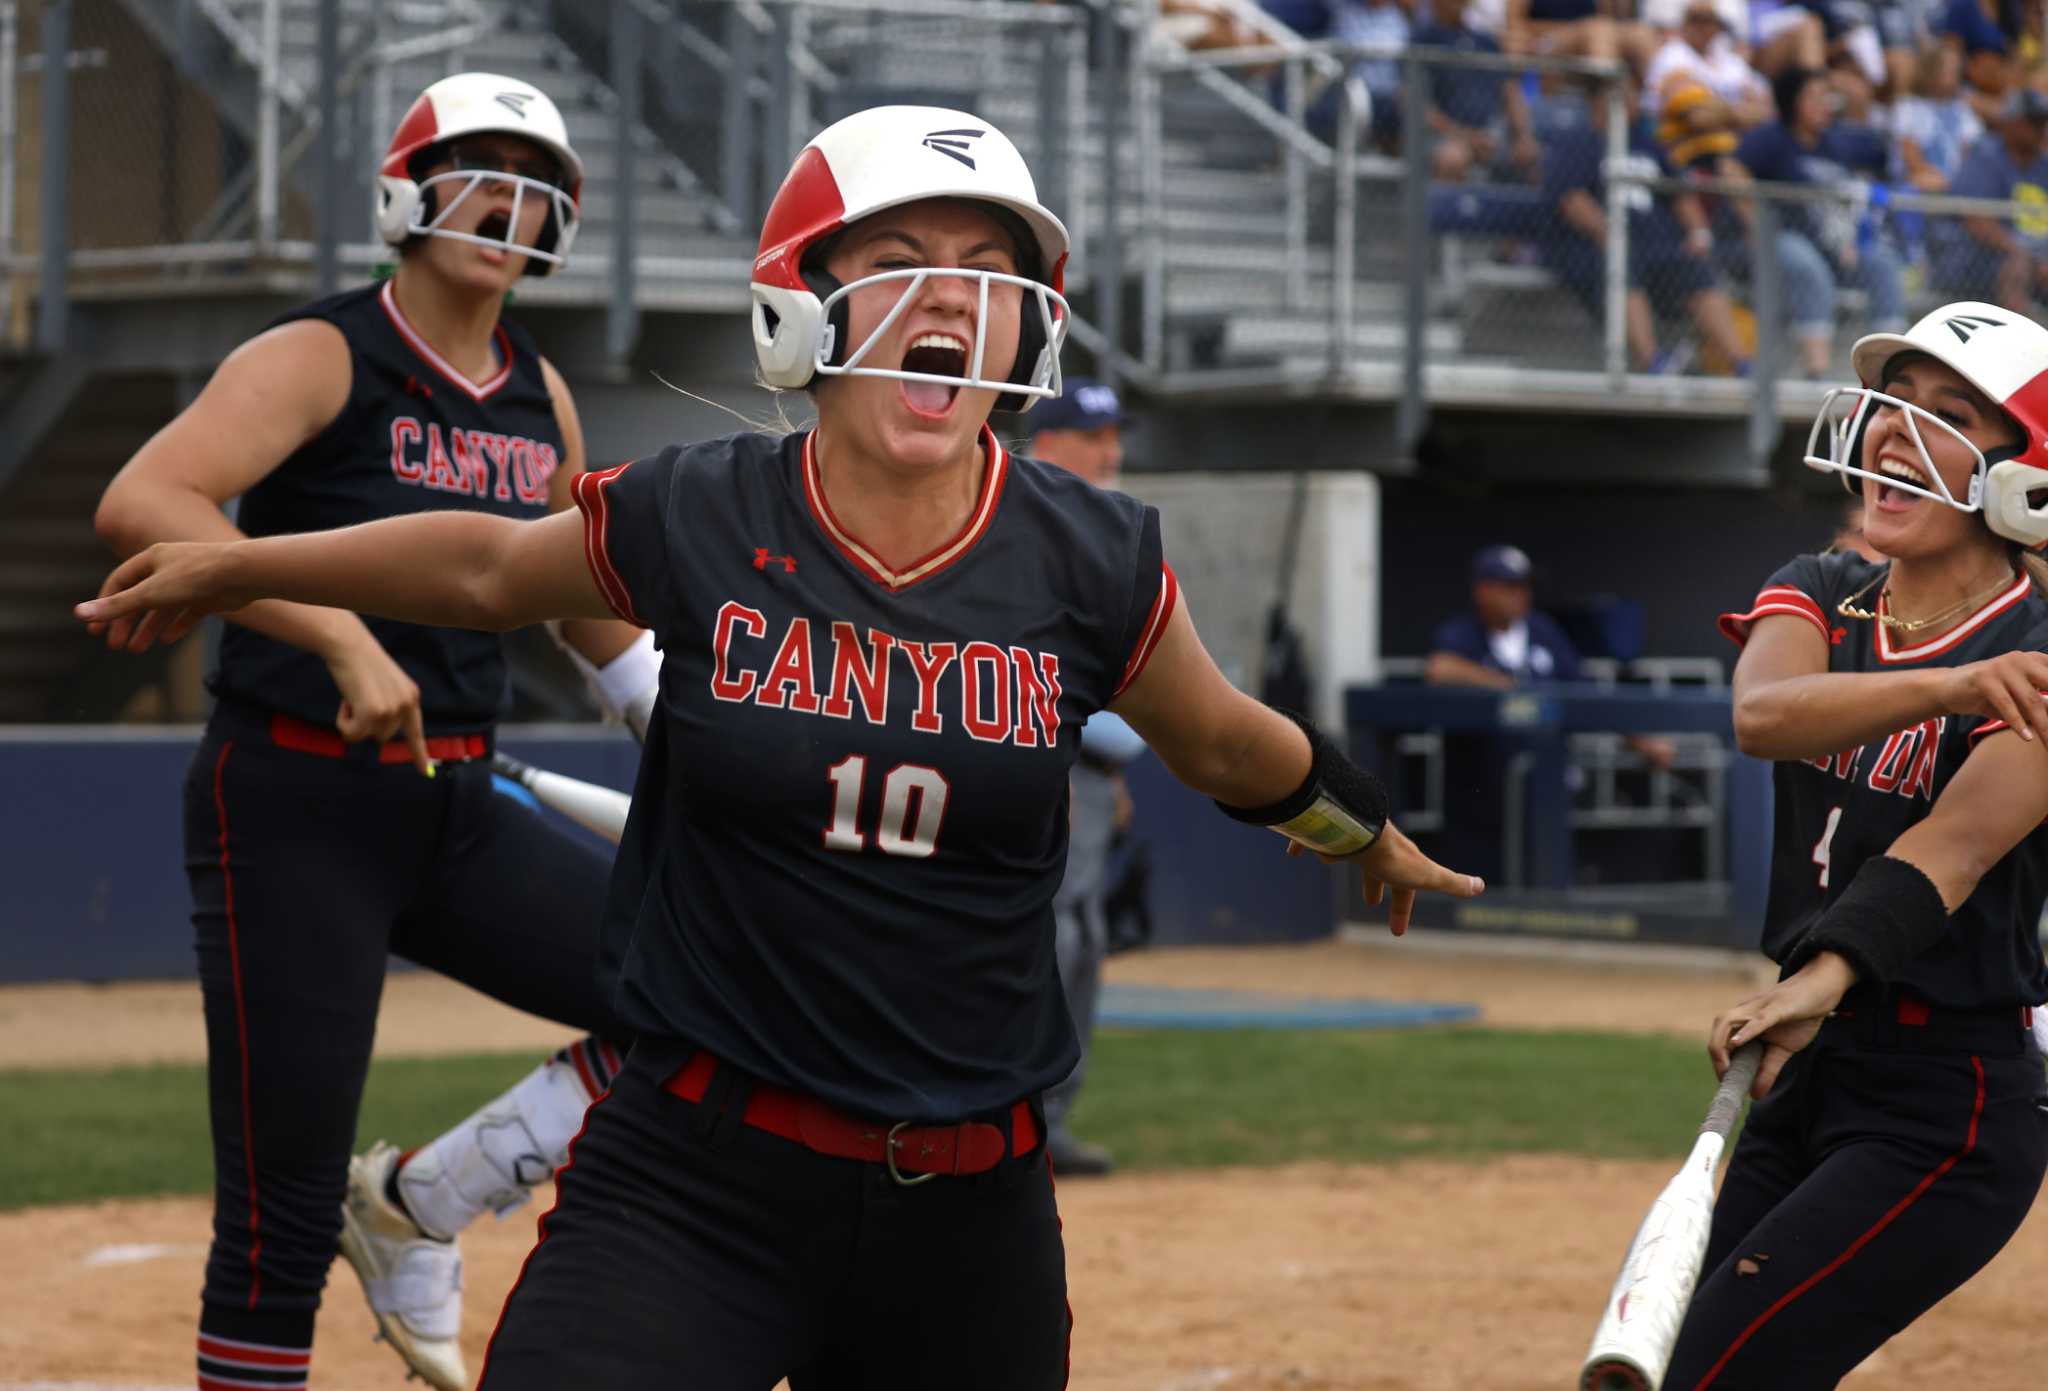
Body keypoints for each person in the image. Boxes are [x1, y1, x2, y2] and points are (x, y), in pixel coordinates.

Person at [75, 104, 1484, 1389]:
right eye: (905, 257)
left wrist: (1349, 823)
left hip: (968, 1209)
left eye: (989, 268)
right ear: (800, 305)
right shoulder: (706, 508)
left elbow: (1227, 741)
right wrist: (238, 567)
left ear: (1027, 327)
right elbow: (493, 571)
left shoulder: (1094, 555)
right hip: (693, 1179)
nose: (952, 293)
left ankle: (425, 1199)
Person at [88, 73, 652, 1391]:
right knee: (278, 1218)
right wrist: (334, 631)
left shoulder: (541, 396)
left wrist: (692, 717)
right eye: (474, 165)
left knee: (699, 994)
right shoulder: (324, 351)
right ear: (404, 189)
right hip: (292, 800)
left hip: (457, 801)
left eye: (532, 176)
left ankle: (421, 1196)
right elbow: (143, 497)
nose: (503, 197)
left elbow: (586, 606)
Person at [1670, 299, 2048, 1384]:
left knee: (1712, 1372)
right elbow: (1763, 714)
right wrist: (1948, 683)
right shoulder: (1823, 588)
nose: (1894, 428)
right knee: (1652, 1366)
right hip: (1812, 1067)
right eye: (1895, 402)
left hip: (1945, 1107)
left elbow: (1951, 847)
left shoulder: (2034, 648)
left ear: (2025, 477)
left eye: (1948, 413)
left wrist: (1819, 976)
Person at [1024, 377, 1144, 1177]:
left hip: (1091, 767)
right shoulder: (1027, 515)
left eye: (1114, 434)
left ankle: (1047, 1118)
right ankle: (1021, 1115)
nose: (1111, 449)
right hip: (1050, 764)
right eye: (1093, 433)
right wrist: (1050, 761)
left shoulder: (1094, 522)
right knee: (1053, 933)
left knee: (1084, 936)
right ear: (1050, 440)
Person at [1536, 77, 1753, 375]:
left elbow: (1680, 194)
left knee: (1696, 269)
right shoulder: (1579, 142)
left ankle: (1741, 362)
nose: (1631, 102)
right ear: (1599, 103)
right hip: (1598, 247)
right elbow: (1571, 198)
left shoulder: (1647, 144)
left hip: (1658, 244)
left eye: (1631, 96)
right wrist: (1608, 233)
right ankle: (1651, 361)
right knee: (1622, 265)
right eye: (1622, 96)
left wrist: (1699, 233)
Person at [1727, 65, 1908, 378]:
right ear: (1792, 101)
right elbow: (1731, 168)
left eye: (1827, 96)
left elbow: (1848, 198)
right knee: (1808, 266)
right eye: (1815, 96)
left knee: (1882, 264)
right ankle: (1817, 372)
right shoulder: (1772, 138)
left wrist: (1851, 241)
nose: (1825, 104)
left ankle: (1890, 368)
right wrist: (1753, 222)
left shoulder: (1833, 145)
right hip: (1782, 241)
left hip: (1834, 243)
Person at [1930, 85, 2048, 312]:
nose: (2040, 130)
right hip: (1977, 259)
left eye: (2042, 123)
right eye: (2033, 122)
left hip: (2035, 256)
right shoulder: (1985, 156)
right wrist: (2027, 254)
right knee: (2017, 266)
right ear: (2011, 122)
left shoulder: (2043, 165)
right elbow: (1976, 220)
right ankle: (2018, 343)